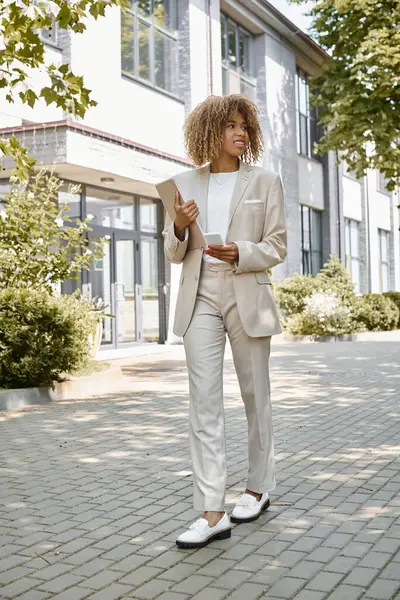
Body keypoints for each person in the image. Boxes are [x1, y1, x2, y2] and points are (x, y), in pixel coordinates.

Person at [162, 94, 287, 549]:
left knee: (256, 395)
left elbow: (277, 245)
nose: (240, 133)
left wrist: (243, 252)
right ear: (209, 132)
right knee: (204, 403)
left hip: (245, 287)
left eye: (245, 127)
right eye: (231, 126)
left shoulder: (266, 181)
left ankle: (257, 487)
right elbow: (174, 252)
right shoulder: (183, 182)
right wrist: (177, 225)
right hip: (199, 294)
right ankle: (212, 511)